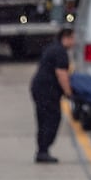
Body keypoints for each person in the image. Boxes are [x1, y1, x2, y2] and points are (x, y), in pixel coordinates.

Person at [28, 27, 75, 163]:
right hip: (46, 91)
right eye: (72, 38)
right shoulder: (61, 52)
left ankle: (42, 151)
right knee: (52, 119)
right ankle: (43, 150)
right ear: (65, 38)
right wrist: (69, 93)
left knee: (43, 120)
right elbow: (62, 74)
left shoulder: (52, 48)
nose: (74, 42)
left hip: (40, 89)